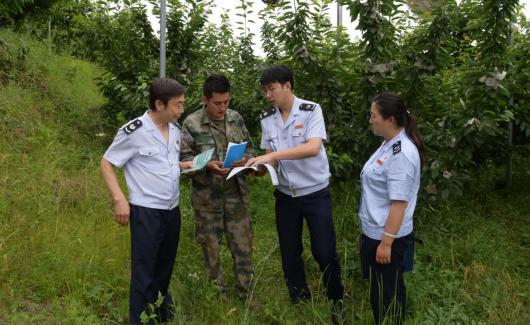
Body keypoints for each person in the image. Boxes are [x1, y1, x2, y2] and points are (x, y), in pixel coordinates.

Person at [246, 65, 344, 313]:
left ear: (287, 85)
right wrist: (254, 167)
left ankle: (336, 300)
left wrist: (272, 156)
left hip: (315, 193)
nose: (268, 95)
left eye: (272, 89)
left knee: (324, 250)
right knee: (290, 252)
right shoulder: (268, 119)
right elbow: (272, 159)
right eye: (265, 91)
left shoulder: (311, 111)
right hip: (286, 196)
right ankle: (299, 300)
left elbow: (312, 148)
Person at [100, 78, 193, 325]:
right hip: (146, 211)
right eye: (178, 105)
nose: (182, 110)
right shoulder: (135, 131)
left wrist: (185, 165)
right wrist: (119, 199)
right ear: (160, 104)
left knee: (165, 267)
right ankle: (141, 320)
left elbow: (164, 164)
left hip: (171, 210)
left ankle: (160, 313)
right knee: (145, 272)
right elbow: (107, 163)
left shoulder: (175, 129)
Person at [180, 74, 254, 300]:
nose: (223, 108)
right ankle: (217, 296)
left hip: (235, 197)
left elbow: (249, 150)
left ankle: (246, 294)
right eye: (217, 103)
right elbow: (184, 162)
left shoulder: (236, 119)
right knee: (211, 250)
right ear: (205, 99)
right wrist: (207, 165)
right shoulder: (191, 124)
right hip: (207, 200)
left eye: (226, 102)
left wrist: (246, 162)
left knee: (243, 248)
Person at [358, 92, 424, 324]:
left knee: (389, 293)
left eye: (373, 115)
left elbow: (399, 204)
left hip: (387, 236)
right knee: (381, 288)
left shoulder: (401, 154)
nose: (370, 119)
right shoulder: (388, 144)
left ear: (390, 120)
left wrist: (386, 243)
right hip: (374, 231)